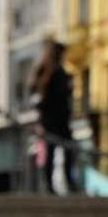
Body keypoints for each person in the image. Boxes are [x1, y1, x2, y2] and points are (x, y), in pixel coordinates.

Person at [29, 40, 78, 194]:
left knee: (68, 149)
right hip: (51, 120)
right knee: (52, 151)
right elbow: (36, 95)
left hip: (60, 120)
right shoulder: (47, 72)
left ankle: (65, 183)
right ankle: (51, 185)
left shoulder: (59, 72)